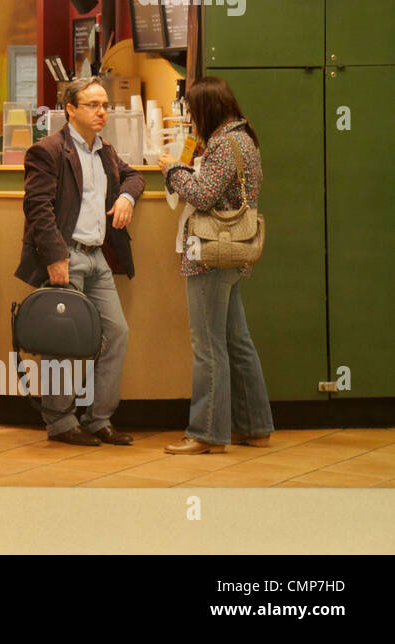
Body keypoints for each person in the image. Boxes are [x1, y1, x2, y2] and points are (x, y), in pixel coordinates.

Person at [16, 76, 143, 446]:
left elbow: (133, 177)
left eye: (105, 105)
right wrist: (55, 258)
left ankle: (98, 418)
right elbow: (37, 209)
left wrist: (127, 198)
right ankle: (59, 422)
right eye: (93, 105)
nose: (102, 111)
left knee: (116, 332)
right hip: (66, 255)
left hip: (97, 257)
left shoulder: (105, 150)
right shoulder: (49, 150)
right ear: (70, 109)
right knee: (64, 340)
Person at [159, 77, 273, 455]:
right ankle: (255, 426)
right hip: (234, 252)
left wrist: (173, 170)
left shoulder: (224, 144)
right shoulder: (245, 139)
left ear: (207, 109)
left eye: (192, 110)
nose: (190, 117)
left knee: (208, 347)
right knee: (237, 342)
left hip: (209, 254)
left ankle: (206, 433)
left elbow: (203, 195)